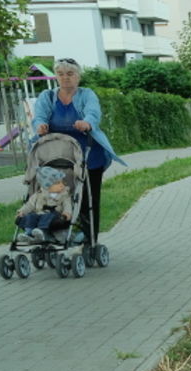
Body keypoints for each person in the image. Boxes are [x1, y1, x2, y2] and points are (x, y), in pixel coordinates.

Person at [31, 58, 126, 247]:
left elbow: (93, 113)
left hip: (88, 156)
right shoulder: (47, 96)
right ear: (56, 76)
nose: (65, 78)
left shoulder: (86, 94)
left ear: (78, 77)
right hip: (56, 157)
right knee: (54, 197)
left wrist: (87, 122)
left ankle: (89, 239)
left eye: (70, 74)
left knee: (87, 201)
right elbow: (39, 116)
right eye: (60, 74)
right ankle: (55, 234)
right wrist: (39, 126)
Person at [15, 165, 73, 243]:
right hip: (39, 215)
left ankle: (42, 232)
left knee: (48, 216)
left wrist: (67, 213)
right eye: (58, 183)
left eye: (62, 182)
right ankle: (29, 233)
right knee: (31, 216)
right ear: (47, 186)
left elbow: (67, 205)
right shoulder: (38, 194)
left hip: (55, 217)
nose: (62, 185)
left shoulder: (64, 195)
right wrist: (22, 211)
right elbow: (29, 205)